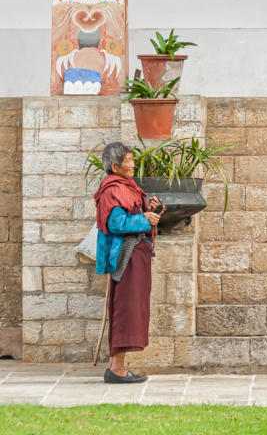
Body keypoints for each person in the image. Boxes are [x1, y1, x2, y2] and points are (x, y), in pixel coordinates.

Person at [94, 141, 161, 384]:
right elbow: (116, 224)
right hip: (126, 257)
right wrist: (145, 218)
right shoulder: (112, 189)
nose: (133, 164)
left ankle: (117, 366)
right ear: (115, 165)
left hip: (137, 255)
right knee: (125, 309)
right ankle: (116, 369)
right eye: (129, 160)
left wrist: (147, 207)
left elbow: (129, 213)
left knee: (132, 308)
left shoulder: (126, 186)